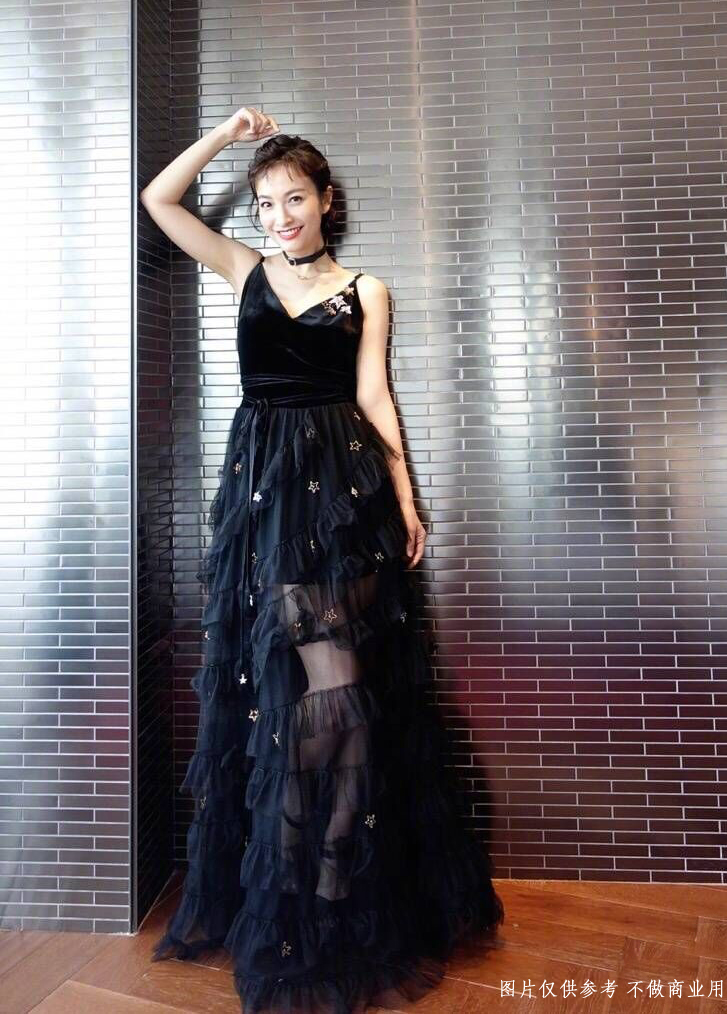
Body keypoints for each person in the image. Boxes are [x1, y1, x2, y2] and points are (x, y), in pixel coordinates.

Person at [140, 106, 503, 1014]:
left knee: (346, 697)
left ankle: (334, 880)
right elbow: (160, 201)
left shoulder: (367, 289)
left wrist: (407, 499)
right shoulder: (246, 270)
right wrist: (227, 136)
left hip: (346, 499)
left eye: (293, 199)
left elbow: (374, 396)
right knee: (313, 696)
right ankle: (307, 882)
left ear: (326, 200)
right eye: (265, 204)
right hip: (268, 503)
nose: (279, 217)